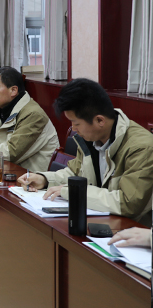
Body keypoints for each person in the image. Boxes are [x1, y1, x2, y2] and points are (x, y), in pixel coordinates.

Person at [18, 78, 153, 226]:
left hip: (130, 230)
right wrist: (45, 180)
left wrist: (74, 192)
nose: (73, 129)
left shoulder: (141, 147)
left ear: (100, 121)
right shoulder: (90, 138)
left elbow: (129, 203)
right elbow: (75, 173)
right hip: (98, 223)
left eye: (76, 123)